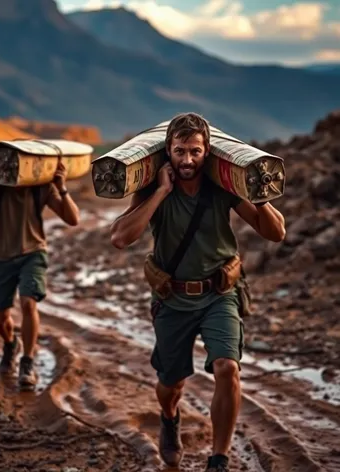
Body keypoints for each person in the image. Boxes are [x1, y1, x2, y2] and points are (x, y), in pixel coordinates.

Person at [110, 113, 285, 471]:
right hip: (172, 297)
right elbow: (120, 237)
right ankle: (169, 417)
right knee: (171, 384)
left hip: (219, 293)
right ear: (168, 152)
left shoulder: (222, 188)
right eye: (179, 151)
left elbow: (276, 232)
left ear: (207, 152)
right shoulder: (153, 189)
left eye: (194, 151)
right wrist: (160, 191)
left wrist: (259, 193)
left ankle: (218, 458)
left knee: (226, 367)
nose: (187, 160)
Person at [0, 157, 80, 389]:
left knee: (28, 303)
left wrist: (61, 186)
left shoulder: (41, 187)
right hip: (0, 258)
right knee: (0, 319)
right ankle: (10, 343)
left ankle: (27, 361)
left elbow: (73, 219)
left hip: (33, 254)